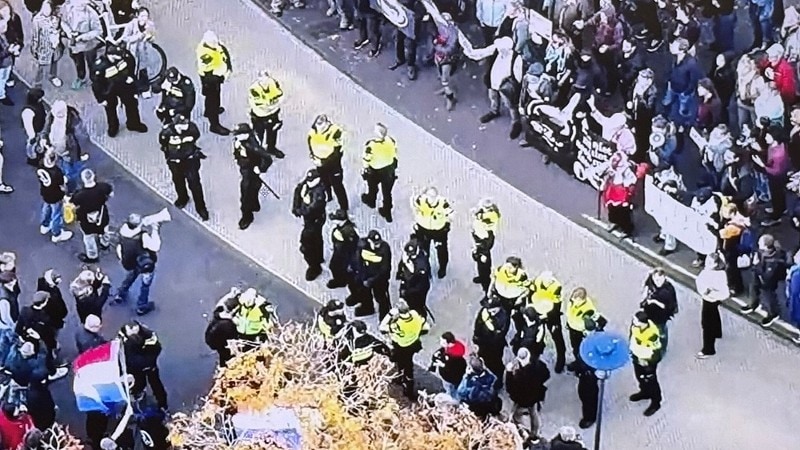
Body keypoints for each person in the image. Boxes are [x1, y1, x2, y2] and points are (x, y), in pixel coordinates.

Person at [158, 114, 209, 221]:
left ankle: (201, 208)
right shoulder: (167, 132)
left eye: (186, 123)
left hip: (189, 160)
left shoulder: (192, 128)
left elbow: (196, 136)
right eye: (183, 124)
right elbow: (163, 143)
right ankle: (182, 198)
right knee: (178, 180)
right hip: (175, 161)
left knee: (195, 184)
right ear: (177, 125)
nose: (186, 126)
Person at [91, 43, 148, 137]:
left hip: (124, 85)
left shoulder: (123, 56)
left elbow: (131, 63)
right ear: (110, 55)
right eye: (118, 56)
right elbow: (97, 85)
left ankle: (133, 124)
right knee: (110, 109)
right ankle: (113, 127)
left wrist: (130, 77)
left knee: (131, 104)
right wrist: (101, 99)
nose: (120, 58)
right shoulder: (100, 66)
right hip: (109, 90)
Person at [113, 213, 162, 316]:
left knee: (131, 275)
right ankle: (141, 306)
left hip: (129, 262)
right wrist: (155, 229)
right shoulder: (142, 236)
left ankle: (121, 293)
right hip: (144, 263)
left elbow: (119, 247)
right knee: (145, 285)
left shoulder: (123, 231)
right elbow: (155, 246)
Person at [379, 299, 429, 399]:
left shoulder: (397, 324)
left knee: (404, 364)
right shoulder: (415, 315)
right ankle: (406, 382)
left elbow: (382, 328)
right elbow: (426, 327)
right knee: (408, 364)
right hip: (413, 344)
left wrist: (390, 314)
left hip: (401, 346)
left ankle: (405, 384)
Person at [232, 122, 273, 230]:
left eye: (238, 134)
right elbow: (237, 153)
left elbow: (267, 158)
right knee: (254, 187)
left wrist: (260, 168)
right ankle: (254, 204)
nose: (236, 137)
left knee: (246, 193)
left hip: (250, 170)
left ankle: (247, 216)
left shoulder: (253, 145)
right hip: (246, 169)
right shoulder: (239, 141)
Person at [742, 234, 789, 326]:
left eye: (760, 242)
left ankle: (773, 313)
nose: (758, 243)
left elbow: (767, 276)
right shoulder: (762, 252)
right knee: (754, 287)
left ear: (766, 246)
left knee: (768, 295)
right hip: (759, 274)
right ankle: (753, 304)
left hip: (769, 280)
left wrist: (757, 265)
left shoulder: (773, 260)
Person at [119, 321, 168, 410]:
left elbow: (156, 349)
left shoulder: (149, 336)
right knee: (138, 384)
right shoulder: (123, 335)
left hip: (148, 366)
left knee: (156, 384)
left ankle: (163, 404)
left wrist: (147, 364)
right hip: (134, 368)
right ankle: (139, 395)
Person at [526, 271, 567, 373]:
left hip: (550, 314)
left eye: (550, 281)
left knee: (557, 337)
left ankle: (561, 360)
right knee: (535, 334)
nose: (549, 283)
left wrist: (547, 316)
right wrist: (531, 308)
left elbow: (557, 307)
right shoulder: (537, 281)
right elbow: (530, 295)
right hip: (537, 310)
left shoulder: (556, 288)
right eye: (547, 281)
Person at [505, 347, 550, 438]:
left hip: (522, 399)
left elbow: (510, 388)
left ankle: (516, 426)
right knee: (533, 413)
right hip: (536, 395)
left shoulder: (519, 376)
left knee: (516, 413)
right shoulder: (538, 365)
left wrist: (509, 373)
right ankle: (535, 432)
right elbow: (546, 375)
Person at [292, 169, 327, 281]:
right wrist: (296, 206)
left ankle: (315, 266)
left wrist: (302, 208)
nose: (308, 182)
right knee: (316, 241)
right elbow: (298, 190)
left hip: (315, 220)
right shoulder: (308, 183)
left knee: (309, 244)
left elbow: (311, 209)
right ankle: (318, 257)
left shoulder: (319, 193)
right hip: (309, 219)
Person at [308, 114, 348, 212]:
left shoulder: (335, 132)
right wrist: (313, 155)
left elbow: (337, 153)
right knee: (324, 182)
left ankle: (344, 207)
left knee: (338, 186)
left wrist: (323, 161)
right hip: (319, 164)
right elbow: (310, 142)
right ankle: (328, 196)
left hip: (333, 166)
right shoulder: (312, 132)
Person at [71, 168, 113, 263]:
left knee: (88, 238)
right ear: (93, 176)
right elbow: (111, 194)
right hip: (102, 216)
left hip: (86, 220)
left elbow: (72, 205)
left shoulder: (79, 195)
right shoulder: (104, 187)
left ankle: (92, 255)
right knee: (105, 230)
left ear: (83, 179)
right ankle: (105, 244)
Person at [411, 186, 453, 279]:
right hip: (424, 229)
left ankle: (442, 268)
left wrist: (447, 224)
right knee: (424, 251)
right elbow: (413, 204)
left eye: (433, 197)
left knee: (442, 251)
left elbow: (451, 214)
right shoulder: (420, 200)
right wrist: (417, 218)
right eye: (429, 197)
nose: (431, 199)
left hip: (439, 231)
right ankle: (426, 269)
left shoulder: (443, 203)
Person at [60, 0, 102, 91]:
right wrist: (69, 32)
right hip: (74, 45)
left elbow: (98, 31)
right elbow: (63, 22)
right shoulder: (68, 9)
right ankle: (81, 77)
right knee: (78, 62)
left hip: (89, 45)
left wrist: (83, 36)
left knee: (91, 63)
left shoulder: (91, 13)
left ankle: (94, 79)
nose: (81, 4)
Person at [196, 30, 232, 135]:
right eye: (213, 42)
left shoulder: (214, 45)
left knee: (212, 97)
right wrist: (222, 78)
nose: (216, 44)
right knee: (213, 99)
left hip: (216, 78)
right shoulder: (205, 55)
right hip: (211, 81)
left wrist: (228, 68)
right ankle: (214, 125)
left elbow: (223, 52)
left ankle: (208, 111)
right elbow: (208, 76)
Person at [350, 230, 392, 318]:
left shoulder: (384, 249)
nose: (378, 245)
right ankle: (367, 308)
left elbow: (385, 269)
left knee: (381, 298)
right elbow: (358, 261)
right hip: (365, 275)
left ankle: (384, 316)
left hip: (379, 278)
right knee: (364, 293)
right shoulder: (362, 246)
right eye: (375, 243)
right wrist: (362, 276)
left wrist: (372, 280)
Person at [628, 310, 663, 417]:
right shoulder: (635, 327)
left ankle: (656, 402)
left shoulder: (652, 334)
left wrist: (650, 363)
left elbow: (657, 351)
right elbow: (632, 338)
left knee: (651, 381)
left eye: (636, 320)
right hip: (637, 357)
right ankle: (644, 392)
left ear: (643, 323)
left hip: (648, 361)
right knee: (640, 377)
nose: (633, 321)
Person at [360, 123, 398, 222]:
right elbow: (395, 153)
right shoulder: (390, 141)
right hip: (389, 170)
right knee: (387, 193)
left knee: (372, 187)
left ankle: (371, 201)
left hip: (375, 171)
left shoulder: (371, 145)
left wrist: (365, 169)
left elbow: (366, 159)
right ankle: (387, 212)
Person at [472, 294, 509, 388]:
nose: (491, 312)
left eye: (494, 310)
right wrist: (476, 340)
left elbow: (498, 336)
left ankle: (500, 378)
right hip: (482, 343)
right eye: (489, 310)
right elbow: (478, 325)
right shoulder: (485, 312)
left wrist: (490, 324)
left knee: (496, 364)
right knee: (483, 359)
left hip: (494, 347)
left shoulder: (503, 319)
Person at [36, 150, 73, 244]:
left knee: (46, 208)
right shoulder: (57, 172)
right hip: (56, 196)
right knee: (56, 214)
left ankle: (45, 225)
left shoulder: (41, 164)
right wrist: (66, 194)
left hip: (45, 192)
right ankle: (57, 234)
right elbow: (62, 187)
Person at [695, 252, 727, 358]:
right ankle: (717, 332)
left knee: (706, 324)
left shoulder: (716, 275)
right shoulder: (718, 273)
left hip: (710, 299)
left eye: (709, 262)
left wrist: (709, 292)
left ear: (715, 264)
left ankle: (708, 349)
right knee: (714, 315)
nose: (706, 263)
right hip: (711, 299)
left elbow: (724, 292)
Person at [248, 71, 286, 159]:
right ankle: (256, 153)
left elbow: (280, 96)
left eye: (266, 79)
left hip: (273, 113)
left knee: (272, 132)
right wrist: (272, 105)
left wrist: (271, 106)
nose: (265, 82)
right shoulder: (254, 89)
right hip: (259, 116)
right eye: (262, 80)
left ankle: (271, 148)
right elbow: (260, 106)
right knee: (258, 136)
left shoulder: (273, 83)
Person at [640, 268, 678, 353]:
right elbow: (646, 287)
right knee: (650, 327)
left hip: (661, 315)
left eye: (660, 280)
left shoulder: (667, 290)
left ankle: (662, 348)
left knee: (661, 331)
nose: (658, 282)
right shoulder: (650, 281)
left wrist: (654, 301)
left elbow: (667, 306)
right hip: (649, 311)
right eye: (656, 279)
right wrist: (644, 296)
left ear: (664, 278)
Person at [601, 151, 637, 237]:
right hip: (612, 191)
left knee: (623, 212)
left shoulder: (625, 170)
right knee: (611, 208)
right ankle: (614, 222)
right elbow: (602, 171)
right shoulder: (610, 167)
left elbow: (633, 179)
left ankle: (627, 229)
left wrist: (624, 184)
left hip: (622, 193)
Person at [396, 238, 431, 319]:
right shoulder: (407, 256)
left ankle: (421, 319)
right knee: (408, 302)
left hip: (419, 287)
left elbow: (420, 283)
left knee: (418, 305)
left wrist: (408, 292)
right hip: (408, 283)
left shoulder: (421, 264)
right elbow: (402, 267)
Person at [470, 200, 500, 292]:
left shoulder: (492, 215)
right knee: (479, 262)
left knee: (484, 263)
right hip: (480, 238)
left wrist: (476, 213)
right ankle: (482, 276)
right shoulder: (484, 213)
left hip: (485, 241)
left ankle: (486, 285)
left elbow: (480, 216)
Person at [31, 1, 62, 88]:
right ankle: (37, 83)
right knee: (41, 66)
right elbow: (35, 36)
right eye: (44, 8)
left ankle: (52, 76)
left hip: (54, 45)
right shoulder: (37, 20)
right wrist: (34, 49)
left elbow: (59, 29)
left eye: (48, 8)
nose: (46, 11)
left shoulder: (56, 18)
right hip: (43, 47)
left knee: (54, 61)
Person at [204, 288, 239, 367]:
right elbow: (235, 336)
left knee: (221, 350)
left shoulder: (218, 312)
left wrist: (230, 294)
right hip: (216, 341)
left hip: (210, 336)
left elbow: (221, 303)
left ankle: (222, 363)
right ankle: (225, 365)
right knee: (224, 352)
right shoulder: (228, 324)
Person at [433, 12, 460, 111]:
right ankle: (444, 89)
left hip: (447, 59)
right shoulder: (441, 27)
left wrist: (437, 46)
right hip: (438, 56)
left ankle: (450, 97)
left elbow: (451, 49)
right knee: (440, 74)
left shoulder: (453, 32)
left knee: (445, 78)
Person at [428, 331, 467, 400]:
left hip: (451, 378)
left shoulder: (454, 358)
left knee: (451, 390)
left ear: (450, 343)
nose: (441, 344)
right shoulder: (453, 348)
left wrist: (442, 365)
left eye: (443, 342)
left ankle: (454, 399)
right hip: (455, 376)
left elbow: (451, 368)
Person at [326, 209, 359, 289]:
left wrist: (341, 240)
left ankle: (341, 281)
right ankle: (340, 279)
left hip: (344, 254)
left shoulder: (348, 230)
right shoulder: (341, 227)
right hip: (339, 251)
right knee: (333, 266)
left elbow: (351, 245)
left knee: (337, 267)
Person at [21, 88, 47, 167]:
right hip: (34, 132)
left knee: (38, 144)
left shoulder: (37, 104)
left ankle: (37, 152)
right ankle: (32, 158)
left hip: (39, 128)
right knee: (31, 146)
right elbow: (28, 126)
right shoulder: (28, 111)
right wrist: (32, 137)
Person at [0, 271, 20, 365]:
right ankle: (3, 362)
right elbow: (5, 317)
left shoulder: (8, 290)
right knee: (7, 342)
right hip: (7, 326)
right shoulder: (4, 298)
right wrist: (13, 326)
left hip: (11, 320)